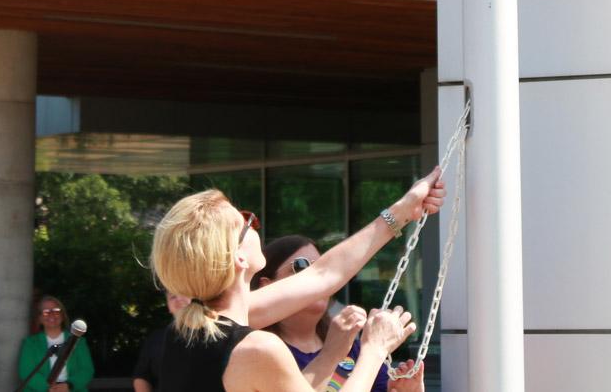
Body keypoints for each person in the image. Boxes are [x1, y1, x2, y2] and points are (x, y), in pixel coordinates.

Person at [147, 168, 443, 392]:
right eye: (247, 221)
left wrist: (403, 210)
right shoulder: (257, 348)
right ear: (238, 258)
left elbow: (323, 274)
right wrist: (375, 349)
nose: (254, 224)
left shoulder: (188, 329)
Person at [252, 237, 423, 392]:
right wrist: (373, 349)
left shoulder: (350, 344)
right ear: (267, 286)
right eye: (301, 266)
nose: (318, 279)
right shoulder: (259, 351)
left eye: (322, 270)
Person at [17, 296, 93, 392]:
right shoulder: (30, 343)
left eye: (56, 311)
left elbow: (86, 370)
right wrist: (48, 388)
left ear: (62, 315)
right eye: (46, 312)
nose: (51, 315)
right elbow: (26, 371)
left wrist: (69, 385)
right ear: (39, 318)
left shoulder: (79, 342)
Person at [131, 292, 190, 392]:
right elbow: (142, 376)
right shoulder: (156, 338)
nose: (178, 299)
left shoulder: (216, 336)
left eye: (183, 293)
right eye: (172, 297)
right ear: (168, 307)